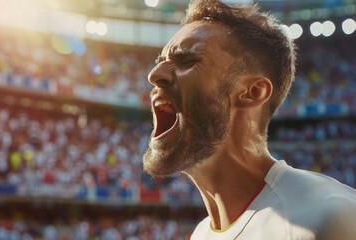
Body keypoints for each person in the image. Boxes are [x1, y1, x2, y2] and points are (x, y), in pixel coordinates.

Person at [142, 0, 356, 239]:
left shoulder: (329, 219)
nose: (154, 75)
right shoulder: (201, 233)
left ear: (253, 92)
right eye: (159, 63)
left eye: (187, 61)